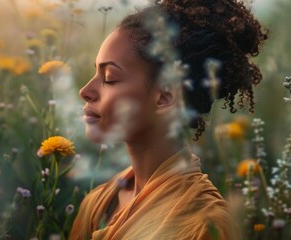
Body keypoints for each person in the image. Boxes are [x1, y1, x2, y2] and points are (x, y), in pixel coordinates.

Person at [70, 0, 268, 239]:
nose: (85, 90)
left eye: (110, 77)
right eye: (95, 73)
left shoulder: (204, 225)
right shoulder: (97, 202)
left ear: (164, 97)